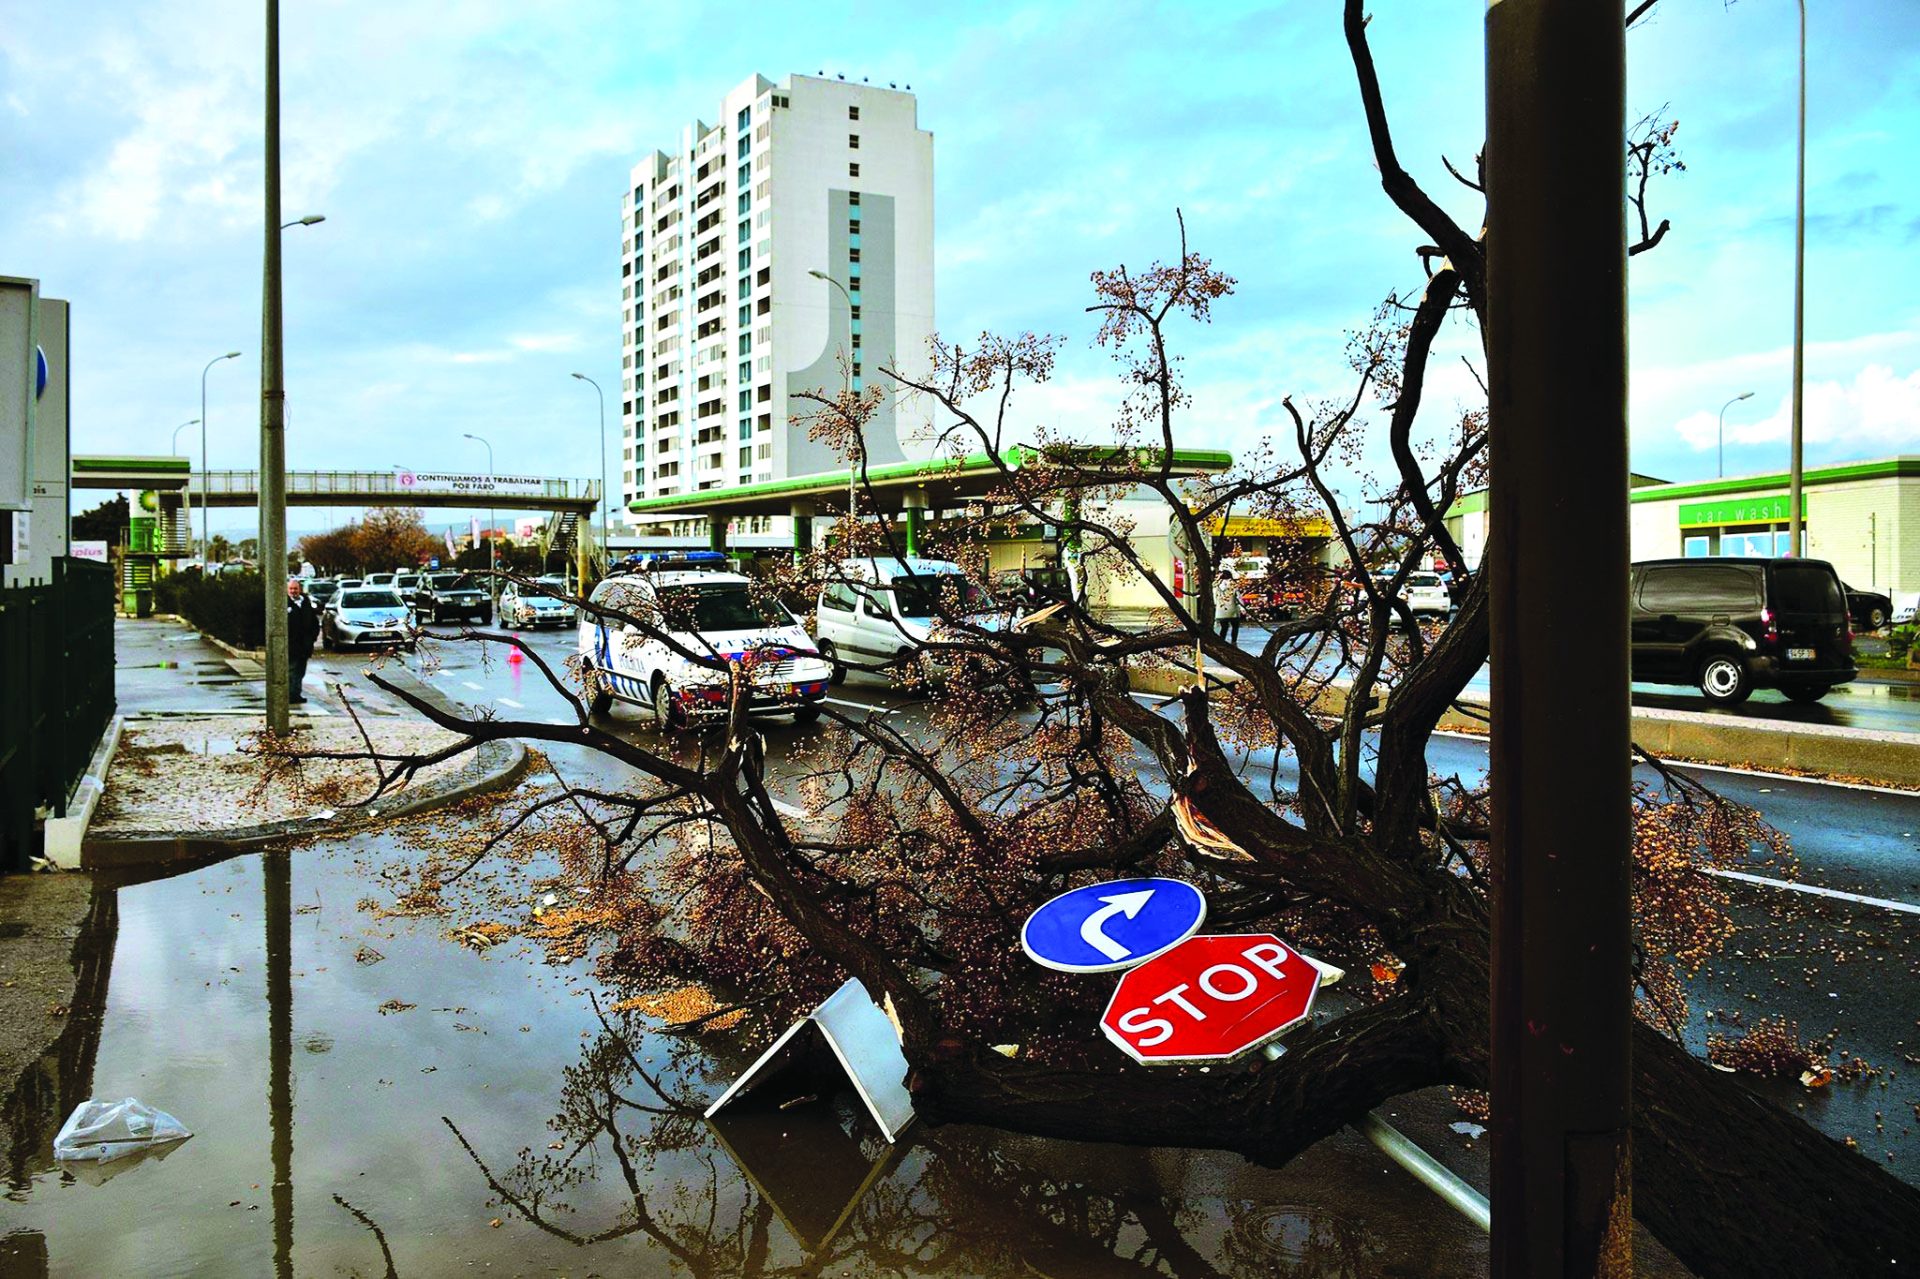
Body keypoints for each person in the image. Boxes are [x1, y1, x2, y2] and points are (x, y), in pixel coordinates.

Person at [287, 579, 319, 707]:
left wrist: (312, 639)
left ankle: (296, 694)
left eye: (295, 588)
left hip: (305, 646)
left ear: (299, 589)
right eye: (291, 589)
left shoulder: (306, 603)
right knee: (291, 671)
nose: (293, 591)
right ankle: (290, 695)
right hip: (291, 646)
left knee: (300, 671)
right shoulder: (284, 604)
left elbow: (314, 623)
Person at [1214, 568, 1242, 644]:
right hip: (1232, 609)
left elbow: (1214, 598)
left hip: (1221, 610)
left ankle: (1221, 641)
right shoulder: (1233, 584)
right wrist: (1243, 608)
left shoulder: (1216, 585)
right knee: (1235, 627)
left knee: (1224, 627)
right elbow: (1238, 597)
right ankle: (1234, 641)